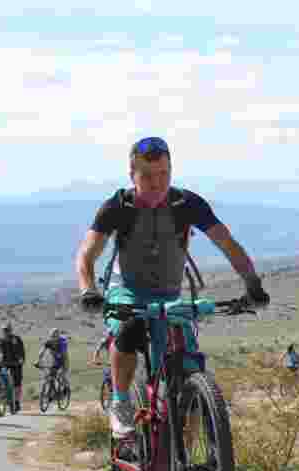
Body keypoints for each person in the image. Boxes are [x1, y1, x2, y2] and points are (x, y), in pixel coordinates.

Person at [74, 135, 270, 437]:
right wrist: (88, 290)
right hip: (126, 289)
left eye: (164, 173)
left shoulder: (186, 203)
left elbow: (227, 244)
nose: (156, 182)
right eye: (147, 175)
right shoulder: (118, 206)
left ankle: (189, 468)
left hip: (170, 294)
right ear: (132, 175)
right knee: (128, 329)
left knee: (190, 367)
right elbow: (87, 253)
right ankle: (121, 401)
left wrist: (253, 284)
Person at [0, 322, 25, 411]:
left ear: (11, 330)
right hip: (4, 362)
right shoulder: (0, 340)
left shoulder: (16, 339)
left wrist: (22, 359)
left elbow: (22, 350)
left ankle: (17, 402)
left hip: (15, 363)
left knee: (17, 383)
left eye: (7, 330)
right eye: (4, 330)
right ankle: (1, 387)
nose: (6, 332)